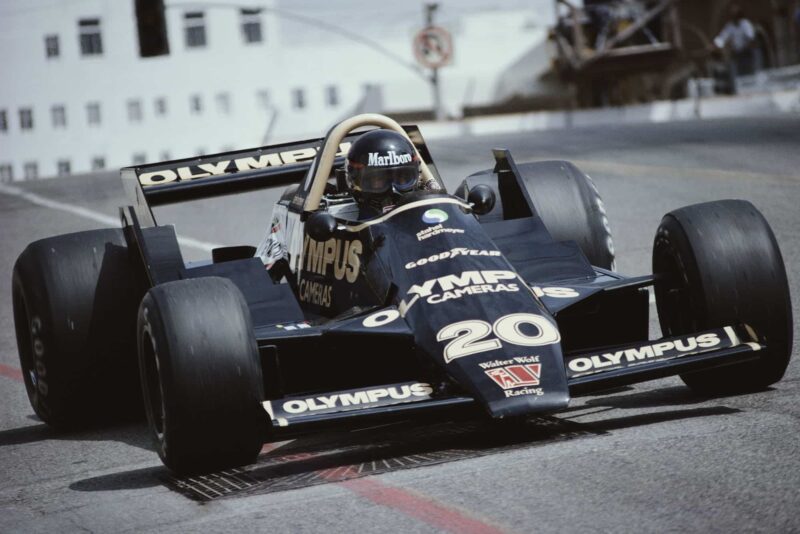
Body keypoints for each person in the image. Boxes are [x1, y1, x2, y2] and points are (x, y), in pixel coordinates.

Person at [344, 129, 437, 219]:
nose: (393, 190)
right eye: (379, 179)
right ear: (354, 182)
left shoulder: (432, 212)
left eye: (401, 177)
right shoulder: (344, 225)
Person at [714, 5, 757, 77]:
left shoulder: (745, 24)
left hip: (747, 53)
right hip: (737, 54)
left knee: (749, 74)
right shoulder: (730, 26)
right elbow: (722, 38)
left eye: (735, 15)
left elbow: (751, 37)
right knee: (739, 74)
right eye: (732, 16)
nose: (734, 18)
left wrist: (747, 45)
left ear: (739, 15)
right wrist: (715, 44)